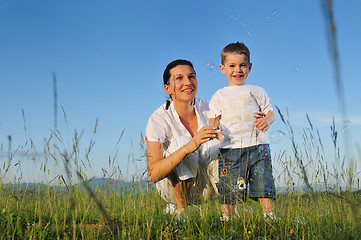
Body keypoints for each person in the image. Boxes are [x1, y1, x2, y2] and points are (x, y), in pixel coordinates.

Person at [209, 42, 277, 221]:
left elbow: (270, 112)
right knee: (229, 187)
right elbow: (213, 118)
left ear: (250, 67)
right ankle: (227, 219)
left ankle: (269, 217)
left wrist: (266, 120)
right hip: (230, 147)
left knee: (264, 184)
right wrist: (215, 126)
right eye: (232, 65)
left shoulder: (256, 90)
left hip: (258, 145)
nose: (237, 70)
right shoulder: (219, 95)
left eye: (242, 65)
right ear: (223, 68)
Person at [145, 59, 220, 221]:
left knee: (219, 145)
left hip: (206, 186)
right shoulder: (158, 118)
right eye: (179, 78)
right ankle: (180, 212)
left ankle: (229, 209)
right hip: (172, 190)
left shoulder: (210, 109)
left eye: (192, 76)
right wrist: (191, 145)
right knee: (183, 141)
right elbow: (153, 174)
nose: (188, 82)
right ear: (168, 88)